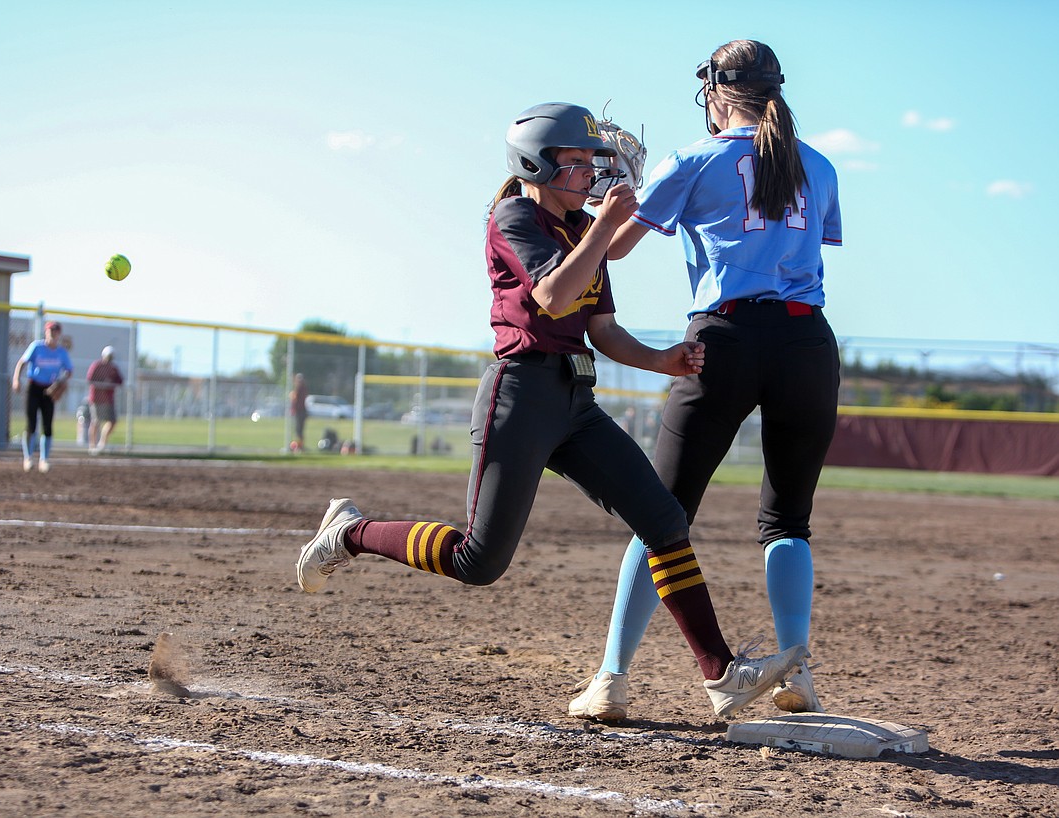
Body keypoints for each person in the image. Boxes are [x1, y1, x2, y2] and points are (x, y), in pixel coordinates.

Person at [297, 102, 805, 719]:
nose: (590, 172)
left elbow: (604, 331)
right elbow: (554, 294)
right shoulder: (515, 214)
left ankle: (721, 674)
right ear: (536, 163)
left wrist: (662, 360)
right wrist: (601, 231)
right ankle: (349, 532)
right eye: (575, 160)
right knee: (477, 561)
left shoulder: (578, 228)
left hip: (573, 401)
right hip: (520, 395)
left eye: (592, 160)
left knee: (665, 519)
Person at [568, 40, 842, 722]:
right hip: (808, 343)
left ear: (716, 92)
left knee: (660, 515)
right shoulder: (822, 164)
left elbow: (617, 247)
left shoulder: (696, 157)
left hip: (722, 340)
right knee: (788, 521)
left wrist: (602, 203)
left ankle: (611, 680)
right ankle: (797, 673)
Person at [12, 320, 73, 473]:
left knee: (47, 425)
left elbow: (69, 371)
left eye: (56, 331)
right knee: (31, 423)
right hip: (34, 387)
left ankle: (44, 460)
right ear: (46, 332)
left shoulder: (61, 352)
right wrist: (16, 379)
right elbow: (22, 363)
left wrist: (61, 383)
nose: (53, 333)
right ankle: (28, 458)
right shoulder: (37, 347)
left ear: (59, 334)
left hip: (49, 390)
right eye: (50, 331)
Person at [86, 345, 124, 455]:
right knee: (96, 421)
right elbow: (90, 379)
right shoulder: (97, 366)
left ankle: (102, 443)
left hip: (108, 399)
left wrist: (110, 383)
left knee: (112, 421)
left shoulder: (113, 368)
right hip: (97, 399)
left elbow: (120, 380)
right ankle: (92, 445)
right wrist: (102, 384)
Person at [289, 373, 309, 452]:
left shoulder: (301, 388)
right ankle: (299, 445)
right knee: (299, 430)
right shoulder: (302, 388)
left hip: (300, 411)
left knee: (299, 430)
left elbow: (296, 398)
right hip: (301, 411)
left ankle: (300, 446)